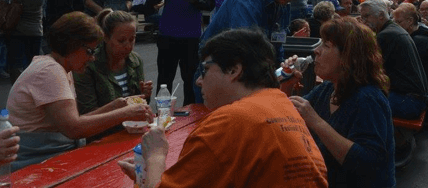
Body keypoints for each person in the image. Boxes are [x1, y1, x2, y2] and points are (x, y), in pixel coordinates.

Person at [119, 28, 328, 188]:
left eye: (205, 69)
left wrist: (155, 156)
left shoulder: (229, 121)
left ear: (234, 70)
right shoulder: (281, 104)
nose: (199, 81)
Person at [7, 12, 153, 170]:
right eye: (90, 51)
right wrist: (125, 113)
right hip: (33, 162)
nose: (92, 58)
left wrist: (116, 105)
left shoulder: (61, 68)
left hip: (48, 154)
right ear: (72, 46)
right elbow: (74, 128)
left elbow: (74, 120)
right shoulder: (50, 71)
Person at [289, 16, 396, 187]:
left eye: (326, 45)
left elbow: (368, 164)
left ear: (348, 57)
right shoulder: (328, 89)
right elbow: (289, 117)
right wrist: (287, 85)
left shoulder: (368, 99)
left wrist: (316, 121)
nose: (316, 50)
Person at [154, 0, 215, 105]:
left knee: (190, 78)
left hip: (191, 37)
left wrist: (197, 2)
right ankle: (162, 111)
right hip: (168, 34)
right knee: (165, 78)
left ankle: (189, 111)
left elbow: (210, 3)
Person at [358, 0, 428, 120]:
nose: (363, 21)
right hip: (413, 98)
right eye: (361, 18)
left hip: (408, 101)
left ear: (380, 15)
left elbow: (366, 70)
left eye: (366, 17)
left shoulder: (386, 35)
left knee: (357, 102)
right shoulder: (392, 29)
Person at [74, 9, 153, 114]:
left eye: (132, 39)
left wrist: (145, 95)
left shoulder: (135, 61)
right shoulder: (88, 65)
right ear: (105, 37)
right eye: (121, 41)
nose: (128, 46)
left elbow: (141, 105)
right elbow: (87, 114)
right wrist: (117, 109)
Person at [0, 0, 49, 83]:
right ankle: (30, 87)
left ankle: (16, 88)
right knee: (33, 61)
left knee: (15, 63)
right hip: (35, 30)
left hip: (16, 28)